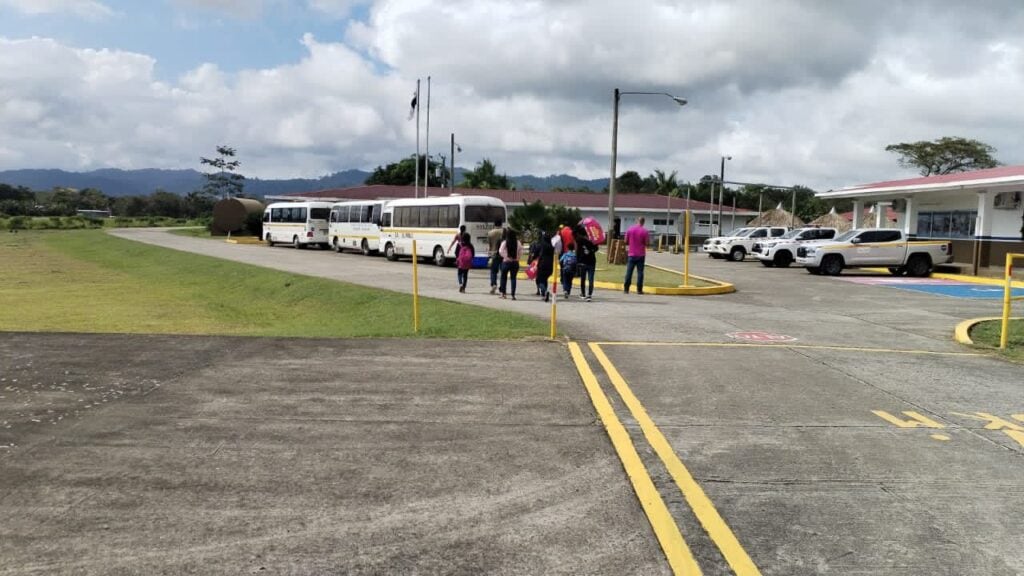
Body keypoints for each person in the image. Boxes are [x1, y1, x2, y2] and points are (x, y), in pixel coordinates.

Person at [623, 216, 650, 295]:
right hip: (641, 255)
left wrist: (631, 242)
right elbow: (647, 243)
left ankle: (626, 289)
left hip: (631, 254)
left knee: (629, 272)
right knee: (640, 273)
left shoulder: (630, 229)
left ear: (636, 221)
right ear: (643, 222)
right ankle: (639, 289)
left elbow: (625, 241)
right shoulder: (645, 231)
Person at [530, 230, 556, 302]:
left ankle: (544, 291)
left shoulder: (541, 245)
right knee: (545, 279)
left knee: (539, 280)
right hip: (550, 265)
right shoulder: (552, 247)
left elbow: (536, 253)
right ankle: (543, 295)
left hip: (542, 264)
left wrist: (533, 257)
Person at [498, 228, 523, 300]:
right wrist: (517, 258)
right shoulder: (518, 242)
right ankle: (513, 294)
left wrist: (507, 257)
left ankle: (503, 293)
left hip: (506, 262)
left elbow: (500, 251)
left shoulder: (505, 242)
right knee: (513, 278)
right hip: (515, 262)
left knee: (503, 278)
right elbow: (521, 251)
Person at [575, 226, 597, 302]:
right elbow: (596, 248)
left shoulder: (579, 240)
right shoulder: (592, 240)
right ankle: (589, 295)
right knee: (591, 279)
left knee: (583, 279)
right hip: (592, 261)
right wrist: (591, 250)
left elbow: (577, 251)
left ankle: (583, 294)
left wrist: (577, 261)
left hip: (583, 262)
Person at [487, 219, 503, 294]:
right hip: (503, 254)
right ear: (501, 224)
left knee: (493, 271)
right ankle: (502, 287)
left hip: (493, 253)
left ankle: (493, 284)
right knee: (503, 271)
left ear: (494, 224)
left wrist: (489, 254)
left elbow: (489, 245)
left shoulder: (490, 233)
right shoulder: (504, 232)